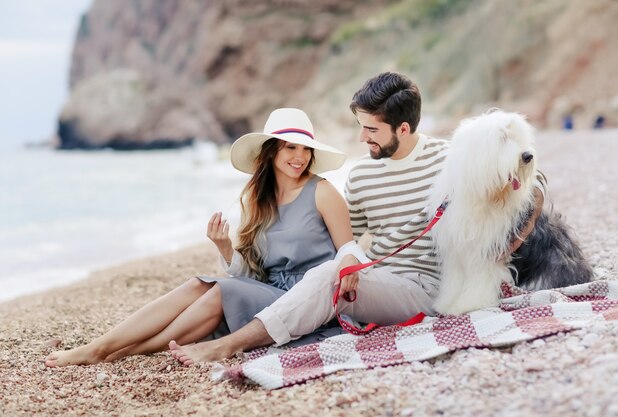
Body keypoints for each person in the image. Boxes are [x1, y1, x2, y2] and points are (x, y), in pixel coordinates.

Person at [170, 72, 545, 365]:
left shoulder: (449, 159)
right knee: (333, 271)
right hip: (377, 280)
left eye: (371, 129)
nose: (362, 137)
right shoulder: (362, 174)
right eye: (361, 126)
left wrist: (510, 244)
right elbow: (340, 240)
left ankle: (229, 346)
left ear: (402, 128)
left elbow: (533, 182)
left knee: (330, 275)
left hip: (428, 287)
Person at [45, 107, 352, 367]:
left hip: (306, 301)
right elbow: (255, 273)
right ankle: (105, 347)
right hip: (268, 293)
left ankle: (116, 351)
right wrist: (225, 247)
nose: (300, 156)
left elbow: (348, 256)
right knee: (199, 284)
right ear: (271, 151)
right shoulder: (260, 201)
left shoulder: (322, 192)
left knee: (219, 293)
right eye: (290, 147)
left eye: (305, 148)